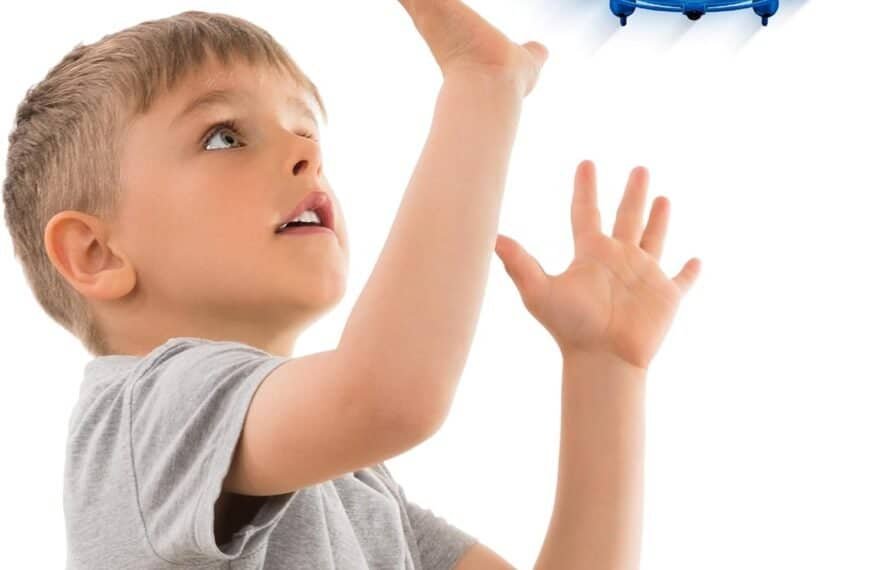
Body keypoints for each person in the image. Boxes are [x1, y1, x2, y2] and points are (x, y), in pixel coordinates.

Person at [2, 0, 700, 568]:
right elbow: (390, 394)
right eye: (224, 136)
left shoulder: (348, 482)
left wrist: (604, 371)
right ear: (94, 252)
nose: (306, 152)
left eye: (306, 130)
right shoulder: (142, 415)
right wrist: (481, 90)